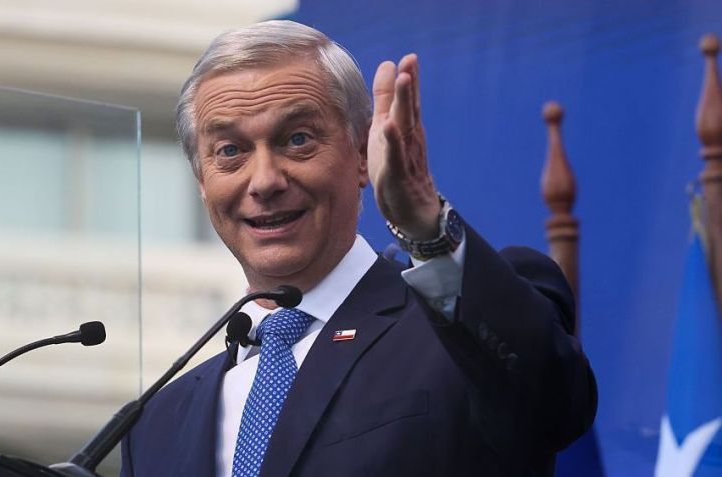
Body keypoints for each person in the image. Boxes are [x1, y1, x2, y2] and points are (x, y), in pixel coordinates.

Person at [122, 20, 596, 477]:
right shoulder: (155, 423)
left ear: (362, 156)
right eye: (230, 151)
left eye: (298, 139)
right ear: (202, 182)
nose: (264, 180)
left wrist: (427, 229)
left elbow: (553, 402)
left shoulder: (461, 325)